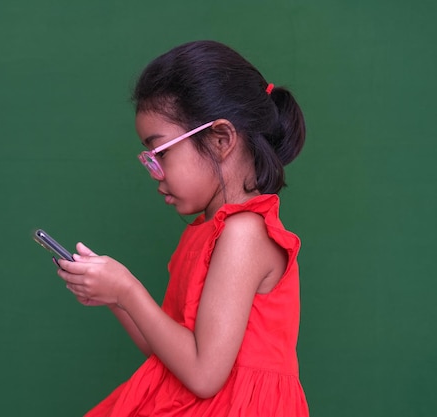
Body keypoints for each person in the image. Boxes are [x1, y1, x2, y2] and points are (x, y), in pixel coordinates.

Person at [56, 40, 309, 416]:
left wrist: (127, 288)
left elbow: (204, 375)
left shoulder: (244, 233)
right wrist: (116, 299)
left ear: (220, 139)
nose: (155, 173)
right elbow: (174, 353)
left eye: (160, 154)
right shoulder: (206, 230)